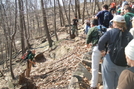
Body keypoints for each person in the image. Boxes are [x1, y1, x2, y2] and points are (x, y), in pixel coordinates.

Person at [98, 15, 133, 89]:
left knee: (108, 84)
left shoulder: (110, 32)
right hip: (124, 62)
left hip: (109, 60)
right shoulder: (129, 35)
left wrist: (103, 51)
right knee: (120, 84)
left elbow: (100, 41)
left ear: (115, 23)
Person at [86, 18, 102, 89]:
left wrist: (88, 45)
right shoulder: (104, 28)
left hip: (97, 48)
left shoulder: (91, 29)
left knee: (95, 67)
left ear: (92, 24)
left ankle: (93, 85)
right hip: (106, 49)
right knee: (106, 67)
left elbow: (87, 41)